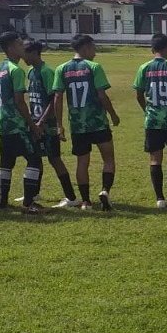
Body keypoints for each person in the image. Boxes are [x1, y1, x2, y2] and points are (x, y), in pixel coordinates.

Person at [52, 34, 120, 211]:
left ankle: (85, 201)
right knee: (108, 157)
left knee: (82, 162)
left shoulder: (62, 68)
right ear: (85, 48)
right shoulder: (94, 67)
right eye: (93, 48)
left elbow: (58, 97)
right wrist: (112, 114)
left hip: (77, 124)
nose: (95, 52)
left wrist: (59, 124)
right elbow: (101, 95)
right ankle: (105, 191)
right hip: (97, 122)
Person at [0, 30, 45, 213]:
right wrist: (32, 125)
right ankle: (28, 204)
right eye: (21, 44)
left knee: (6, 163)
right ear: (12, 47)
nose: (24, 47)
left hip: (2, 124)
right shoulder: (16, 70)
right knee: (34, 160)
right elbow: (20, 101)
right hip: (17, 125)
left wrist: (1, 114)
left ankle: (2, 204)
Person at [132, 34, 167, 209]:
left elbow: (139, 94)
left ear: (152, 50)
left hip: (153, 119)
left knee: (155, 158)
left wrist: (147, 110)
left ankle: (159, 198)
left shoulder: (144, 68)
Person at [22, 39, 79, 207]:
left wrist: (42, 121)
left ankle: (71, 197)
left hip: (46, 124)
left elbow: (53, 100)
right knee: (35, 158)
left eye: (25, 52)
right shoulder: (31, 71)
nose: (22, 56)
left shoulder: (46, 72)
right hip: (35, 122)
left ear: (33, 53)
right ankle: (33, 193)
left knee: (54, 159)